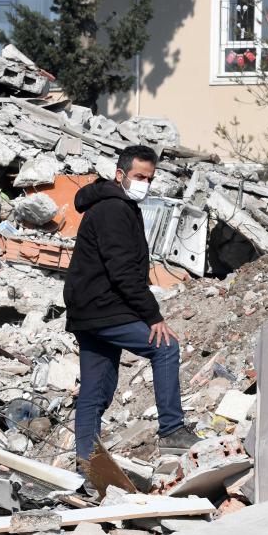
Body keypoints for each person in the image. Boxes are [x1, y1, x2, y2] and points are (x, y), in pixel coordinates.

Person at [64, 144, 200, 468]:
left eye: (150, 178)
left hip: (89, 310)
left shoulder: (115, 204)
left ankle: (88, 466)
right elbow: (122, 271)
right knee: (165, 347)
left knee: (95, 391)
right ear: (120, 174)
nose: (145, 184)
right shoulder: (114, 209)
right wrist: (152, 316)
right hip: (103, 306)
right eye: (139, 177)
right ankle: (172, 430)